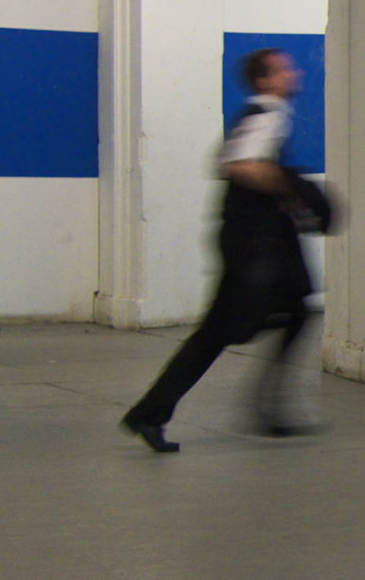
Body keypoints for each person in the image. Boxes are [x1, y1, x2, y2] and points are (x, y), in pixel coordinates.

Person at [121, 48, 330, 452]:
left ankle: (263, 409)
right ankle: (152, 412)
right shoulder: (266, 115)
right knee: (220, 334)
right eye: (285, 69)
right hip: (252, 248)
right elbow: (239, 165)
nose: (294, 73)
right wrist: (290, 188)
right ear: (265, 80)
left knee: (295, 313)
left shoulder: (263, 115)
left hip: (249, 244)